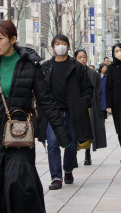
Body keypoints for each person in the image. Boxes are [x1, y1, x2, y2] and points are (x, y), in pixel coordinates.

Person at [0, 20, 71, 213]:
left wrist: (63, 135)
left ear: (13, 39)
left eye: (0, 39)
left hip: (19, 133)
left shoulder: (30, 65)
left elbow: (46, 101)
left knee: (18, 181)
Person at [39, 35, 93, 190]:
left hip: (72, 113)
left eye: (63, 44)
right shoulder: (46, 67)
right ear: (52, 47)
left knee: (70, 145)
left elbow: (88, 88)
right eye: (57, 44)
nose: (60, 46)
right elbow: (40, 90)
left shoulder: (76, 67)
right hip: (52, 114)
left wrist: (82, 103)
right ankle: (56, 177)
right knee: (53, 144)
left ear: (69, 48)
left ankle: (67, 170)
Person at [74, 49, 107, 166]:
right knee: (75, 131)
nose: (82, 59)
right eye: (79, 57)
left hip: (90, 106)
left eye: (84, 57)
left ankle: (87, 155)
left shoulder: (93, 73)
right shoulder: (72, 72)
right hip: (76, 107)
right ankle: (73, 155)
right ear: (75, 59)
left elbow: (98, 91)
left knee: (89, 130)